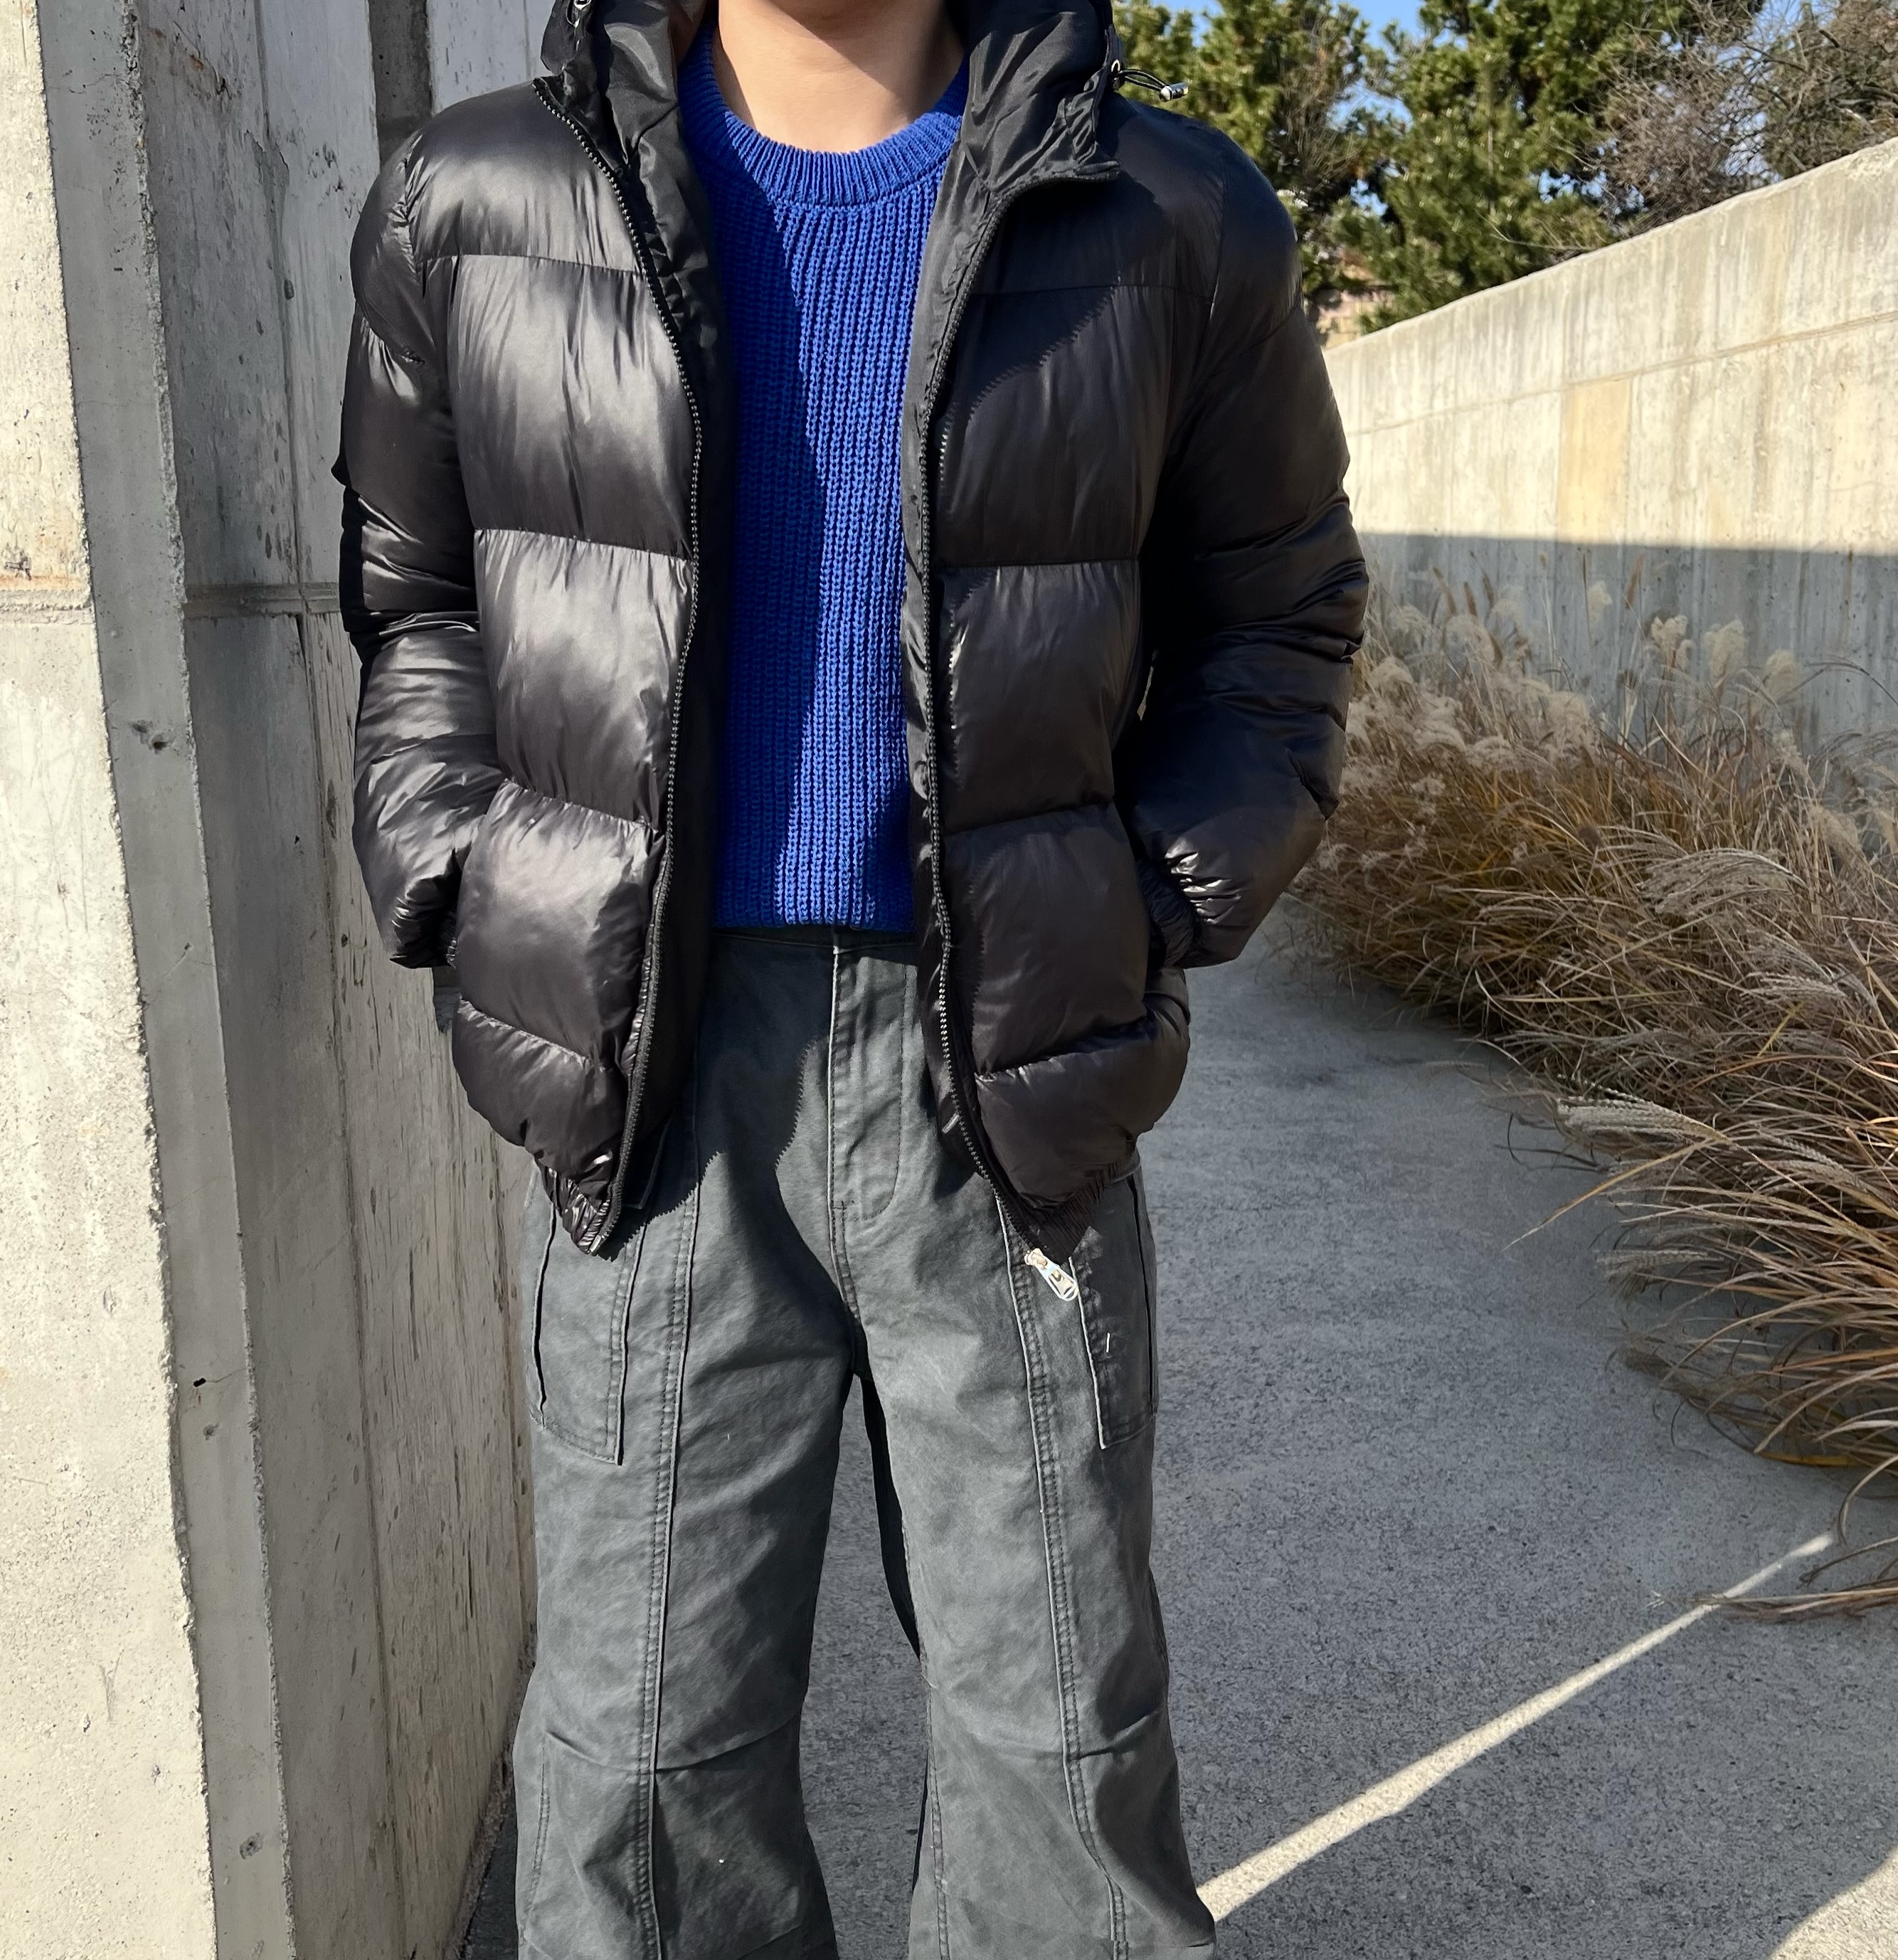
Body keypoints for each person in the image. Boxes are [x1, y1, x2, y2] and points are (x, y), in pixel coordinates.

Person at [336, 0, 1366, 1948]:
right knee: (641, 1762)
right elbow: (421, 600)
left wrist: (1141, 895)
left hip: (1005, 1067)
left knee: (1055, 1732)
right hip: (653, 1073)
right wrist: (467, 873)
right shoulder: (479, 195)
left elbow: (1281, 615)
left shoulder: (1166, 212)